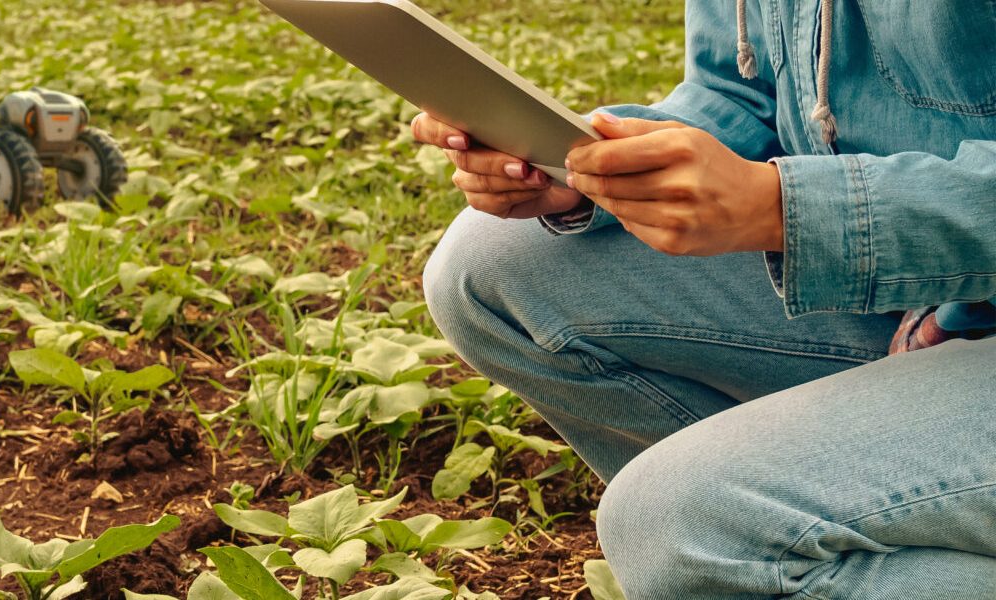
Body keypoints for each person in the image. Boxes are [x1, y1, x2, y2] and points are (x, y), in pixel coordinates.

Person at [413, 1, 996, 597]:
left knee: (677, 523)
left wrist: (782, 207)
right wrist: (590, 167)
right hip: (908, 294)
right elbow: (738, 93)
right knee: (491, 265)